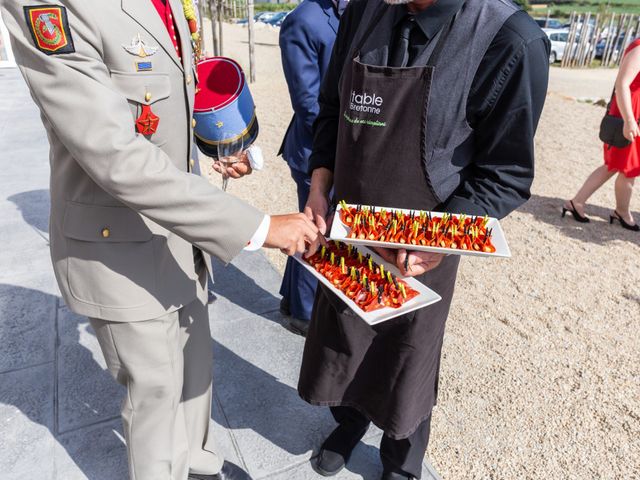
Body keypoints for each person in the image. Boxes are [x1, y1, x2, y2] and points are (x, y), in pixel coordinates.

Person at [0, 1, 318, 480]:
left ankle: (201, 467)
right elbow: (115, 156)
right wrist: (260, 227)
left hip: (178, 236)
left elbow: (168, 94)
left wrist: (219, 143)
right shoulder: (55, 6)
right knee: (156, 397)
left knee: (194, 377)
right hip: (118, 247)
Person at [299, 0, 550, 479]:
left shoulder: (510, 40)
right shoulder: (364, 11)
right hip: (348, 234)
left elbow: (506, 174)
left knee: (407, 360)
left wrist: (439, 240)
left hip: (425, 242)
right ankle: (349, 423)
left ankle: (402, 462)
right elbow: (332, 108)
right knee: (345, 338)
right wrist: (317, 185)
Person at [277, 0, 345, 335]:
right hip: (314, 150)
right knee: (315, 230)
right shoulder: (301, 20)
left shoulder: (362, 10)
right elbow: (307, 103)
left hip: (339, 144)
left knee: (309, 226)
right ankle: (304, 314)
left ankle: (291, 298)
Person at [563, 39, 640, 231]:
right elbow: (622, 83)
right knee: (627, 169)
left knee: (615, 166)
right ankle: (622, 212)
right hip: (628, 115)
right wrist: (629, 120)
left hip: (630, 114)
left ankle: (577, 202)